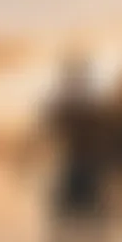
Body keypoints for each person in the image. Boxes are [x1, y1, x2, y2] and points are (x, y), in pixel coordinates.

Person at [40, 57, 111, 220]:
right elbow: (51, 126)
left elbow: (102, 131)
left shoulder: (89, 106)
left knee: (81, 206)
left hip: (84, 166)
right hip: (75, 165)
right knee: (73, 207)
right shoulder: (75, 105)